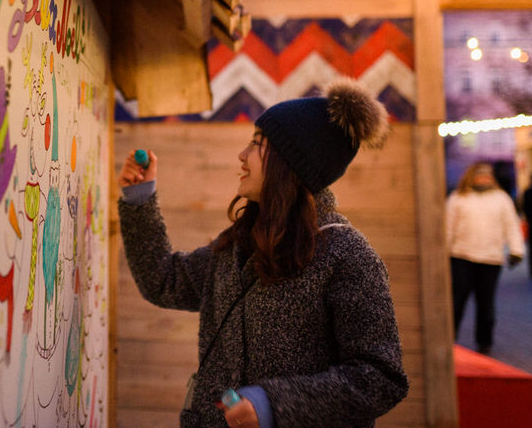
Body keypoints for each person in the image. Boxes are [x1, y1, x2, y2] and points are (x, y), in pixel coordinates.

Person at [118, 78, 408, 428]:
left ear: (291, 163)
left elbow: (380, 378)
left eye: (257, 144)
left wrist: (275, 403)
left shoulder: (348, 255)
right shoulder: (238, 244)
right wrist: (140, 200)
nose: (242, 155)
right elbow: (164, 281)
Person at [446, 162, 525, 354]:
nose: (484, 178)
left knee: (486, 304)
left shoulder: (501, 199)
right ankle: (450, 340)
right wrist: (444, 251)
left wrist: (516, 250)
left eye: (487, 175)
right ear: (471, 176)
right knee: (457, 302)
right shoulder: (458, 198)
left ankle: (485, 343)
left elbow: (511, 225)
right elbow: (448, 227)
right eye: (480, 175)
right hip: (462, 256)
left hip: (491, 258)